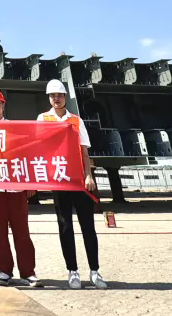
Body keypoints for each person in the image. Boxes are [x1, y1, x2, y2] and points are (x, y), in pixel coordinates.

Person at [41, 79, 107, 290]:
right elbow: (40, 147)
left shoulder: (76, 120)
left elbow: (84, 151)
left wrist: (89, 176)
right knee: (65, 226)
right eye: (53, 95)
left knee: (88, 227)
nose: (56, 98)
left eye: (59, 95)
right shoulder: (43, 119)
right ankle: (73, 271)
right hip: (60, 180)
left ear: (65, 97)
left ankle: (95, 271)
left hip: (79, 180)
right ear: (49, 98)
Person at [0, 89, 38, 287]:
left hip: (16, 187)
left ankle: (28, 271)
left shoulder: (14, 128)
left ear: (4, 104)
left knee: (22, 230)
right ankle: (4, 270)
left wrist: (30, 182)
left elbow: (26, 154)